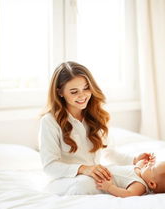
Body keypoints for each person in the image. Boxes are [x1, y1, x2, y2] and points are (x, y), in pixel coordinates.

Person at [39, 61, 152, 195]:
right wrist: (84, 169)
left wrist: (135, 160)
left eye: (86, 88)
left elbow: (108, 153)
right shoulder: (49, 121)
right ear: (60, 92)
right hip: (64, 180)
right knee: (87, 183)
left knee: (126, 174)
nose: (82, 96)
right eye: (74, 92)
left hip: (93, 176)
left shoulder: (97, 116)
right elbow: (50, 166)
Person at [96, 153, 165, 197]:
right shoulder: (141, 171)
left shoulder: (140, 185)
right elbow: (138, 165)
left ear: (152, 183)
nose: (150, 165)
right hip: (100, 169)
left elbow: (128, 194)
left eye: (152, 168)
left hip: (100, 181)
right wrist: (140, 160)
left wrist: (109, 187)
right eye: (153, 164)